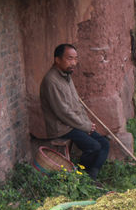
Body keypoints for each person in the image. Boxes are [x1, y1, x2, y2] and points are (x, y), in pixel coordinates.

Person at [40, 44, 109, 180]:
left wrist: (86, 123)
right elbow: (63, 112)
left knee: (104, 143)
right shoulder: (51, 81)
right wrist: (85, 126)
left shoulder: (66, 75)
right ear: (57, 60)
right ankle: (79, 177)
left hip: (73, 123)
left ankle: (91, 176)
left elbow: (76, 105)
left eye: (75, 59)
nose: (73, 63)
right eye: (69, 59)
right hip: (62, 127)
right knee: (94, 147)